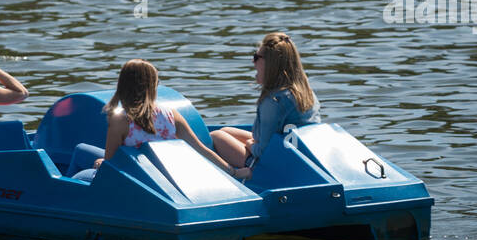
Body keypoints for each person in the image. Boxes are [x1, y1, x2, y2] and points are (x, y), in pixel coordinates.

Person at [78, 59, 250, 181]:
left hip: (135, 179)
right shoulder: (171, 114)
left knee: (81, 160)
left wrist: (101, 163)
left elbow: (111, 163)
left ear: (122, 85)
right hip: (165, 175)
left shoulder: (120, 119)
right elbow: (201, 149)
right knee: (84, 150)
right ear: (153, 85)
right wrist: (233, 172)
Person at [210, 33, 321, 171]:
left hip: (276, 165)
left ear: (271, 64)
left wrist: (250, 145)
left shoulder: (274, 101)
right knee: (226, 131)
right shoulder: (305, 91)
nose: (253, 62)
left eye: (256, 57)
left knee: (216, 136)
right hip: (297, 154)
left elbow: (263, 151)